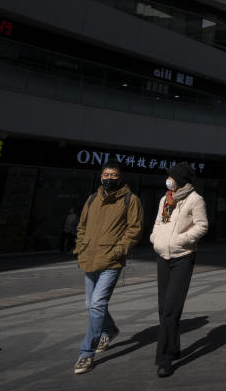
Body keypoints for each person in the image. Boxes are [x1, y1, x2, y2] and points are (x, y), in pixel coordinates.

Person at [72, 161, 144, 375]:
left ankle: (86, 353)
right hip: (89, 258)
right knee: (90, 304)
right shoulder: (92, 198)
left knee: (97, 304)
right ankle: (110, 330)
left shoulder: (131, 200)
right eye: (105, 174)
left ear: (120, 177)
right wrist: (80, 248)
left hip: (111, 261)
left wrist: (118, 251)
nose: (108, 178)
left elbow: (135, 230)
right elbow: (82, 226)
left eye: (113, 175)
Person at [150, 162, 208, 377]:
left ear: (181, 179)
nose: (169, 180)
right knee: (163, 308)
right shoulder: (165, 199)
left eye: (172, 177)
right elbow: (158, 223)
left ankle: (164, 358)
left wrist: (180, 240)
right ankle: (173, 349)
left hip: (183, 258)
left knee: (171, 309)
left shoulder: (195, 200)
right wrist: (155, 240)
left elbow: (202, 226)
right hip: (162, 257)